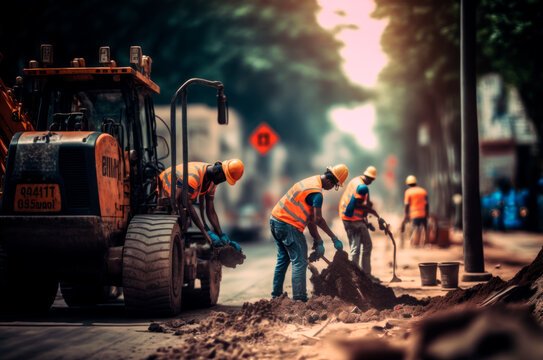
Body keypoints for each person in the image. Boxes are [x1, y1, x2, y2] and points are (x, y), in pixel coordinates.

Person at [270, 164, 348, 302]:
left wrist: (318, 240)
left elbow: (311, 219)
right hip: (289, 225)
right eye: (335, 186)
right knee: (299, 261)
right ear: (330, 181)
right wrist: (334, 237)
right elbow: (318, 219)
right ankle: (300, 300)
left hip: (275, 220)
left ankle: (276, 296)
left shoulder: (310, 181)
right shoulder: (317, 194)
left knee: (283, 259)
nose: (331, 189)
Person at [159, 159, 244, 251]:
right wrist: (205, 233)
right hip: (163, 192)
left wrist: (221, 234)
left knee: (189, 211)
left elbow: (210, 210)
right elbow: (187, 205)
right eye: (223, 178)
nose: (222, 181)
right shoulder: (193, 176)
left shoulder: (212, 181)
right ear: (217, 170)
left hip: (183, 198)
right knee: (183, 219)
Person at [339, 165, 382, 279]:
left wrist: (366, 221)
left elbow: (356, 203)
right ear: (370, 178)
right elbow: (357, 204)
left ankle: (362, 275)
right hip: (353, 220)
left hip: (349, 217)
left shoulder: (355, 181)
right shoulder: (362, 187)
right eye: (372, 180)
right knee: (358, 247)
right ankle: (358, 276)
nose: (371, 183)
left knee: (360, 246)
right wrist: (372, 211)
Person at [402, 175, 429, 247]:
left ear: (408, 183)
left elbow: (407, 205)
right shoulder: (423, 191)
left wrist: (405, 215)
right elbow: (427, 204)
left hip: (415, 214)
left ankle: (414, 244)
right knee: (424, 229)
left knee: (415, 229)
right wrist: (427, 214)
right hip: (423, 213)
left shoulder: (408, 192)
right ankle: (425, 243)